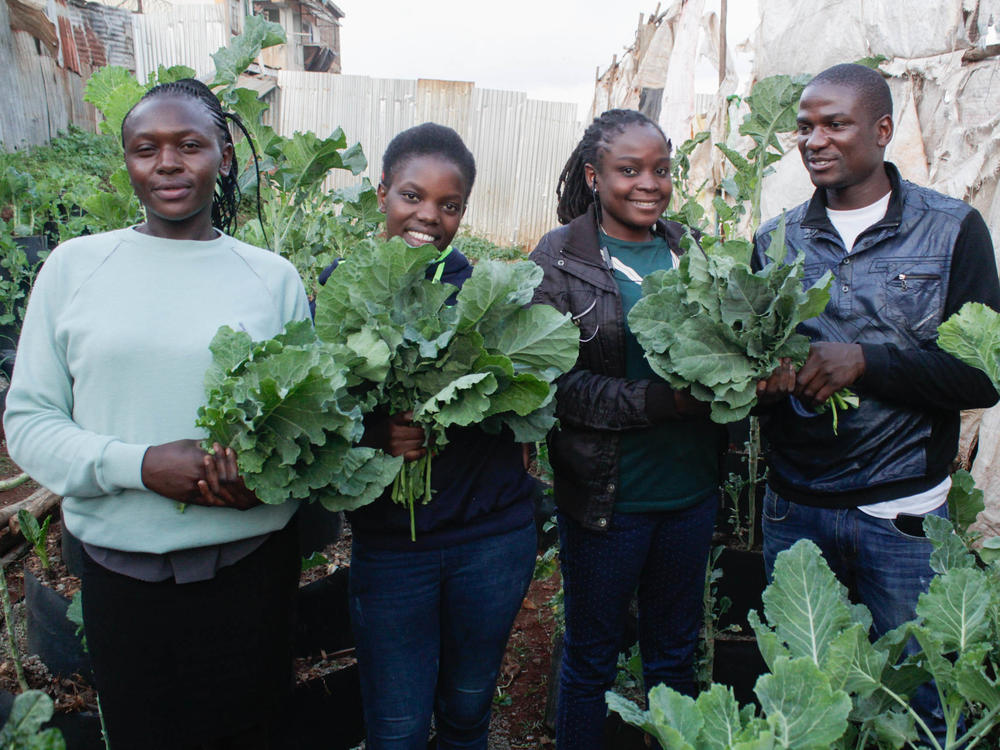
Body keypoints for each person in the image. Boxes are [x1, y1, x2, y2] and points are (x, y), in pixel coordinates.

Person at [3, 79, 309, 749]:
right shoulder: (73, 269)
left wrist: (273, 479)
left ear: (224, 158)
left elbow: (311, 423)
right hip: (121, 577)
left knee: (251, 734)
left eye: (190, 145)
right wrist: (139, 466)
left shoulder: (272, 277)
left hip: (250, 572)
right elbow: (29, 422)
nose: (167, 164)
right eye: (147, 149)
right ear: (129, 163)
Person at [753, 62, 1000, 738]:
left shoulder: (952, 232)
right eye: (805, 126)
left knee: (913, 704)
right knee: (803, 701)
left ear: (883, 129)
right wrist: (764, 384)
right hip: (795, 507)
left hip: (901, 515)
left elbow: (982, 377)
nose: (815, 140)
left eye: (836, 124)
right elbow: (751, 374)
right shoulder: (774, 242)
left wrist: (864, 363)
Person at [529, 109, 725, 749]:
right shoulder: (560, 258)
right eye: (630, 170)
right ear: (594, 175)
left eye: (662, 170)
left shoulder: (687, 249)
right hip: (608, 502)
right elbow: (555, 387)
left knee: (674, 656)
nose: (649, 183)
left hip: (689, 495)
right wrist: (660, 402)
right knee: (592, 658)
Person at [338, 123, 538, 750]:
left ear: (463, 213)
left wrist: (460, 405)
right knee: (395, 730)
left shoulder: (483, 295)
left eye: (449, 206)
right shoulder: (342, 286)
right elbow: (324, 405)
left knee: (466, 713)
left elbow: (524, 402)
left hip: (491, 539)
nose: (428, 216)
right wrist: (380, 431)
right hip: (394, 549)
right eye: (411, 196)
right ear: (382, 195)